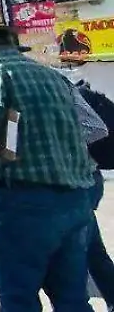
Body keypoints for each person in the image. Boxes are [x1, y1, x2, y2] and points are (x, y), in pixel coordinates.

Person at [0, 9, 96, 311]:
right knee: (72, 299)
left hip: (23, 202)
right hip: (73, 200)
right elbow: (81, 131)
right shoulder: (53, 76)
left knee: (19, 297)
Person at [70, 77, 114, 307]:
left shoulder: (63, 93)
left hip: (79, 183)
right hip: (89, 179)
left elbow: (97, 130)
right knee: (91, 249)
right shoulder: (66, 89)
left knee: (79, 252)